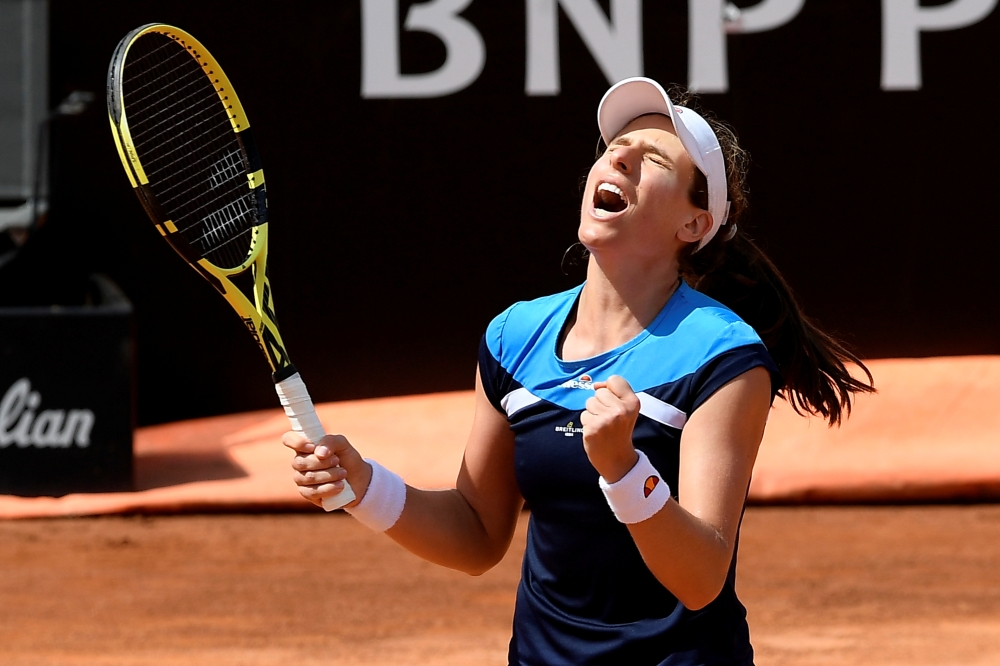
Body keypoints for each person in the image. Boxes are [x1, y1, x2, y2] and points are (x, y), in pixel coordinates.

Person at [283, 77, 875, 665]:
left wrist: (624, 471)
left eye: (652, 158)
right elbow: (475, 533)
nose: (618, 156)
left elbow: (700, 578)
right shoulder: (514, 337)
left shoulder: (721, 356)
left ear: (693, 225)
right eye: (615, 146)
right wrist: (363, 486)